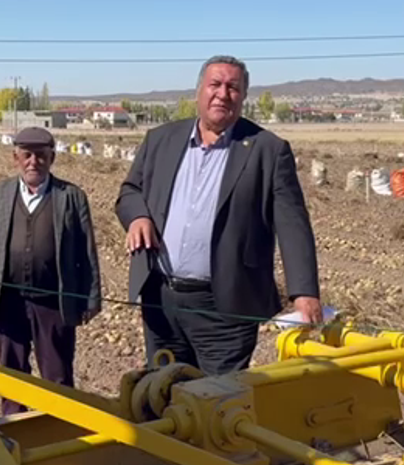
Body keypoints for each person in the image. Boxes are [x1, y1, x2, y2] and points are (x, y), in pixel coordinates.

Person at [115, 55, 322, 375]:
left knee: (217, 403)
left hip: (226, 306)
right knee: (161, 392)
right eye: (215, 85)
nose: (222, 94)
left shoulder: (268, 149)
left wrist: (304, 292)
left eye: (233, 87)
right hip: (160, 297)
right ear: (199, 91)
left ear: (243, 97)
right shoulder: (161, 139)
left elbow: (292, 223)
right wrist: (138, 217)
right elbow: (130, 190)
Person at [0, 126, 102, 414]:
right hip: (7, 300)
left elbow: (86, 251)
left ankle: (61, 432)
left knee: (58, 376)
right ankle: (15, 434)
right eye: (27, 155)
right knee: (11, 375)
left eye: (41, 156)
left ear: (52, 158)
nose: (33, 162)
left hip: (53, 302)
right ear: (15, 158)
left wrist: (90, 298)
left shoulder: (71, 197)